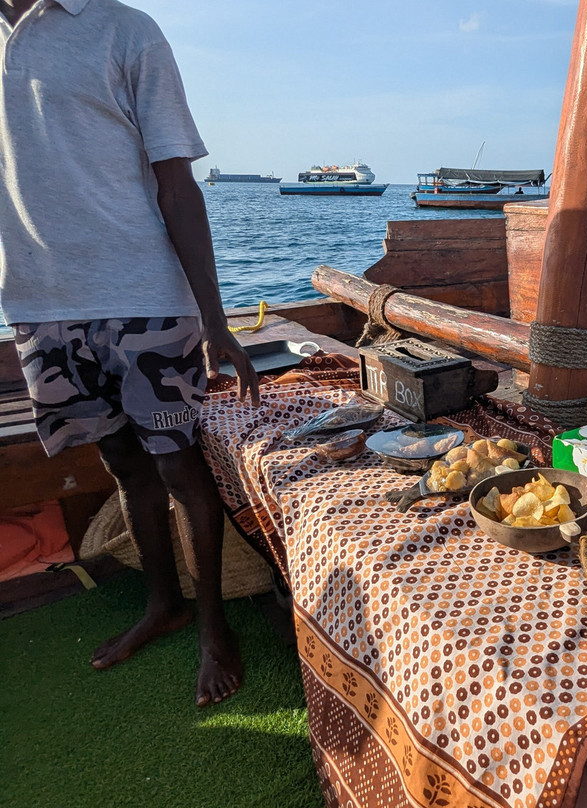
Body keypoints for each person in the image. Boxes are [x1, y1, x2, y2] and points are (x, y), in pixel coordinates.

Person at [0, 0, 260, 707]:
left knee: (176, 463)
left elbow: (177, 184)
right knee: (121, 462)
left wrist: (215, 321)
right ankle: (162, 603)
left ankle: (212, 625)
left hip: (144, 296)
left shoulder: (125, 30)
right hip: (39, 305)